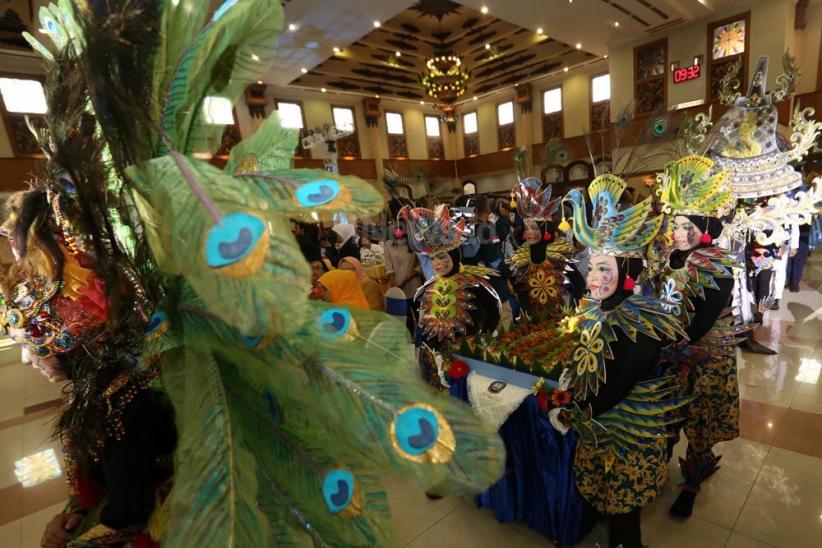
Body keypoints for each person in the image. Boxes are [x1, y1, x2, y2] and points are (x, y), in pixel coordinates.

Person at [554, 174, 688, 548]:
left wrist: (575, 410)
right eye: (591, 267)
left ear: (628, 273)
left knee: (624, 508)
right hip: (600, 425)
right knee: (610, 500)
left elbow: (615, 387)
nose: (593, 277)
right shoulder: (596, 310)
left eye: (603, 268)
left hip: (626, 431)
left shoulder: (639, 323)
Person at [654, 156, 747, 518]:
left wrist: (672, 342)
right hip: (671, 349)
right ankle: (655, 468)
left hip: (706, 354)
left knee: (701, 421)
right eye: (674, 224)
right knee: (665, 415)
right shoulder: (670, 256)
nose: (677, 232)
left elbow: (706, 317)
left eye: (685, 225)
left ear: (706, 224)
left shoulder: (717, 262)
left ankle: (692, 479)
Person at [400, 205, 501, 388]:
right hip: (438, 365)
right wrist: (434, 355)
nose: (437, 264)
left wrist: (483, 341)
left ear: (454, 255)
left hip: (472, 363)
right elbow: (422, 326)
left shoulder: (474, 283)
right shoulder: (426, 290)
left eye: (441, 257)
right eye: (433, 259)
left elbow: (494, 311)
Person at [507, 178, 575, 320]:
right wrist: (527, 315)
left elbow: (578, 282)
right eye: (527, 228)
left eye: (534, 228)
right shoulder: (522, 256)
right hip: (533, 321)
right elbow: (520, 289)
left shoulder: (557, 253)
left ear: (545, 230)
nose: (529, 232)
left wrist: (573, 311)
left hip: (561, 318)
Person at [383, 221, 423, 324]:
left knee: (416, 316)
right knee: (400, 318)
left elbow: (419, 267)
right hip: (397, 287)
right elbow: (389, 266)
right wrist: (394, 282)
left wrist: (404, 281)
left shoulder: (415, 244)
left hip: (413, 286)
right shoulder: (388, 245)